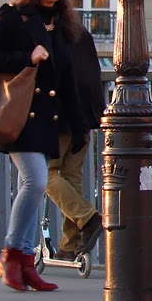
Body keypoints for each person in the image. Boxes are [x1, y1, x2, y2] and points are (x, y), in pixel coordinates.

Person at [0, 0, 88, 293]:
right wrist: (27, 57)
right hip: (20, 116)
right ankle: (11, 254)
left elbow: (68, 79)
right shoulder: (13, 15)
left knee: (36, 186)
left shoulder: (64, 24)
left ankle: (26, 263)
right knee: (36, 181)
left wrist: (80, 125)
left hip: (51, 120)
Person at [44, 23, 105, 260]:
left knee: (46, 174)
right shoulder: (81, 33)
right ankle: (70, 245)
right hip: (84, 116)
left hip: (58, 116)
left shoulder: (48, 34)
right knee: (71, 177)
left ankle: (87, 217)